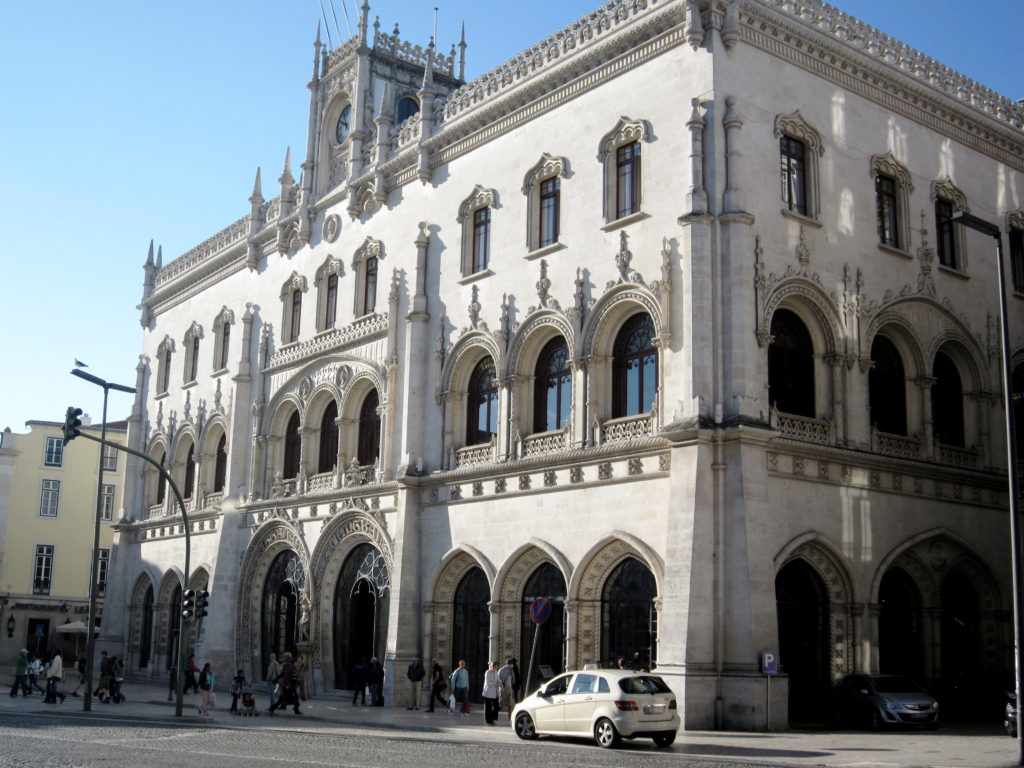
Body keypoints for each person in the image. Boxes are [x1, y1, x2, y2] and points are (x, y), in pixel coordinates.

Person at [482, 661, 500, 725]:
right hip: (488, 692)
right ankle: (489, 721)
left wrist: (501, 684)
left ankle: (493, 718)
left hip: (494, 693)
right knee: (488, 708)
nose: (495, 668)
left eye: (496, 666)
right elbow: (488, 683)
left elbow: (498, 679)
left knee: (497, 706)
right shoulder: (488, 673)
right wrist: (496, 683)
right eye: (493, 666)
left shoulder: (496, 672)